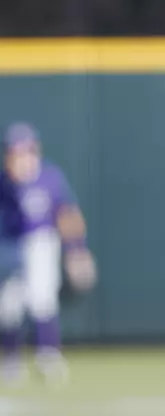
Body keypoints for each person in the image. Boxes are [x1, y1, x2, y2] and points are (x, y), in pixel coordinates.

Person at [0, 123, 97, 384]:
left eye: (26, 151)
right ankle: (11, 360)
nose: (21, 158)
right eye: (15, 153)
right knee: (8, 305)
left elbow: (67, 215)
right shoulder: (4, 182)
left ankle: (48, 357)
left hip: (42, 242)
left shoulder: (50, 177)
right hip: (9, 245)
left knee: (41, 298)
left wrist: (77, 250)